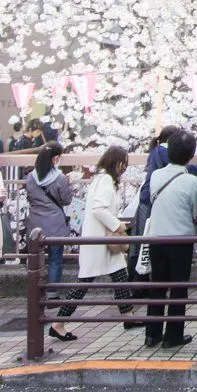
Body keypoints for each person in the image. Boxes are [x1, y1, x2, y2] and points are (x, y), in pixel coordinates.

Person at [49, 146, 144, 341]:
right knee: (84, 284)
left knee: (120, 276)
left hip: (102, 240)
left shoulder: (101, 179)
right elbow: (98, 209)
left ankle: (128, 316)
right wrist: (118, 225)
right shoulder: (106, 181)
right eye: (122, 163)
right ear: (113, 162)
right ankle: (58, 323)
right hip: (99, 241)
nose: (124, 167)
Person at [145, 130, 197, 348]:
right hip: (180, 240)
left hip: (156, 237)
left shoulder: (156, 175)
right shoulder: (191, 181)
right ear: (190, 155)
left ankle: (152, 334)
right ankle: (173, 336)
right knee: (178, 288)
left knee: (157, 286)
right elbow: (195, 213)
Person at [25, 142, 69, 301]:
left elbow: (29, 197)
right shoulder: (60, 178)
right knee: (55, 259)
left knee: (36, 261)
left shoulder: (31, 177)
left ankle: (35, 293)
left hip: (36, 223)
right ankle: (53, 294)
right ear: (56, 158)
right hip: (55, 224)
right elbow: (66, 200)